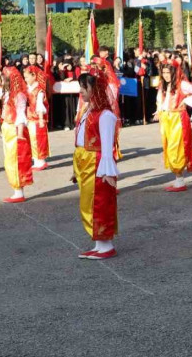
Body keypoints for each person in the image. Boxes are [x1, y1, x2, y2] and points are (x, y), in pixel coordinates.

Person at [73, 70, 121, 260]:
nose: (82, 91)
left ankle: (106, 244)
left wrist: (108, 172)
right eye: (81, 87)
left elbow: (108, 146)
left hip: (98, 163)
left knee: (100, 203)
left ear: (96, 89)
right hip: (86, 163)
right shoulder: (88, 111)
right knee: (88, 202)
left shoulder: (105, 115)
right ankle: (99, 244)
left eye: (85, 87)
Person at [155, 60, 192, 192]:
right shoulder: (163, 85)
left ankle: (180, 180)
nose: (166, 75)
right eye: (163, 72)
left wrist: (186, 101)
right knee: (169, 146)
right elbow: (161, 101)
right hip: (166, 120)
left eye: (168, 72)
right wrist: (159, 111)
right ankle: (179, 178)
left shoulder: (183, 84)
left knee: (177, 148)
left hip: (178, 120)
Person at [0, 66, 33, 203]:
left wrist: (19, 133)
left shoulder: (19, 95)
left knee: (15, 160)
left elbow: (20, 115)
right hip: (7, 129)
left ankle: (18, 191)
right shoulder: (9, 93)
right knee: (9, 159)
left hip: (14, 131)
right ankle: (16, 189)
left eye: (3, 78)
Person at [24, 66, 50, 171]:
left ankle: (40, 161)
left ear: (34, 76)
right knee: (32, 140)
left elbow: (40, 105)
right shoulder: (28, 88)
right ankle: (36, 160)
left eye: (27, 77)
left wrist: (40, 119)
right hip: (30, 118)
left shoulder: (39, 90)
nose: (25, 79)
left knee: (38, 140)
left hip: (36, 119)